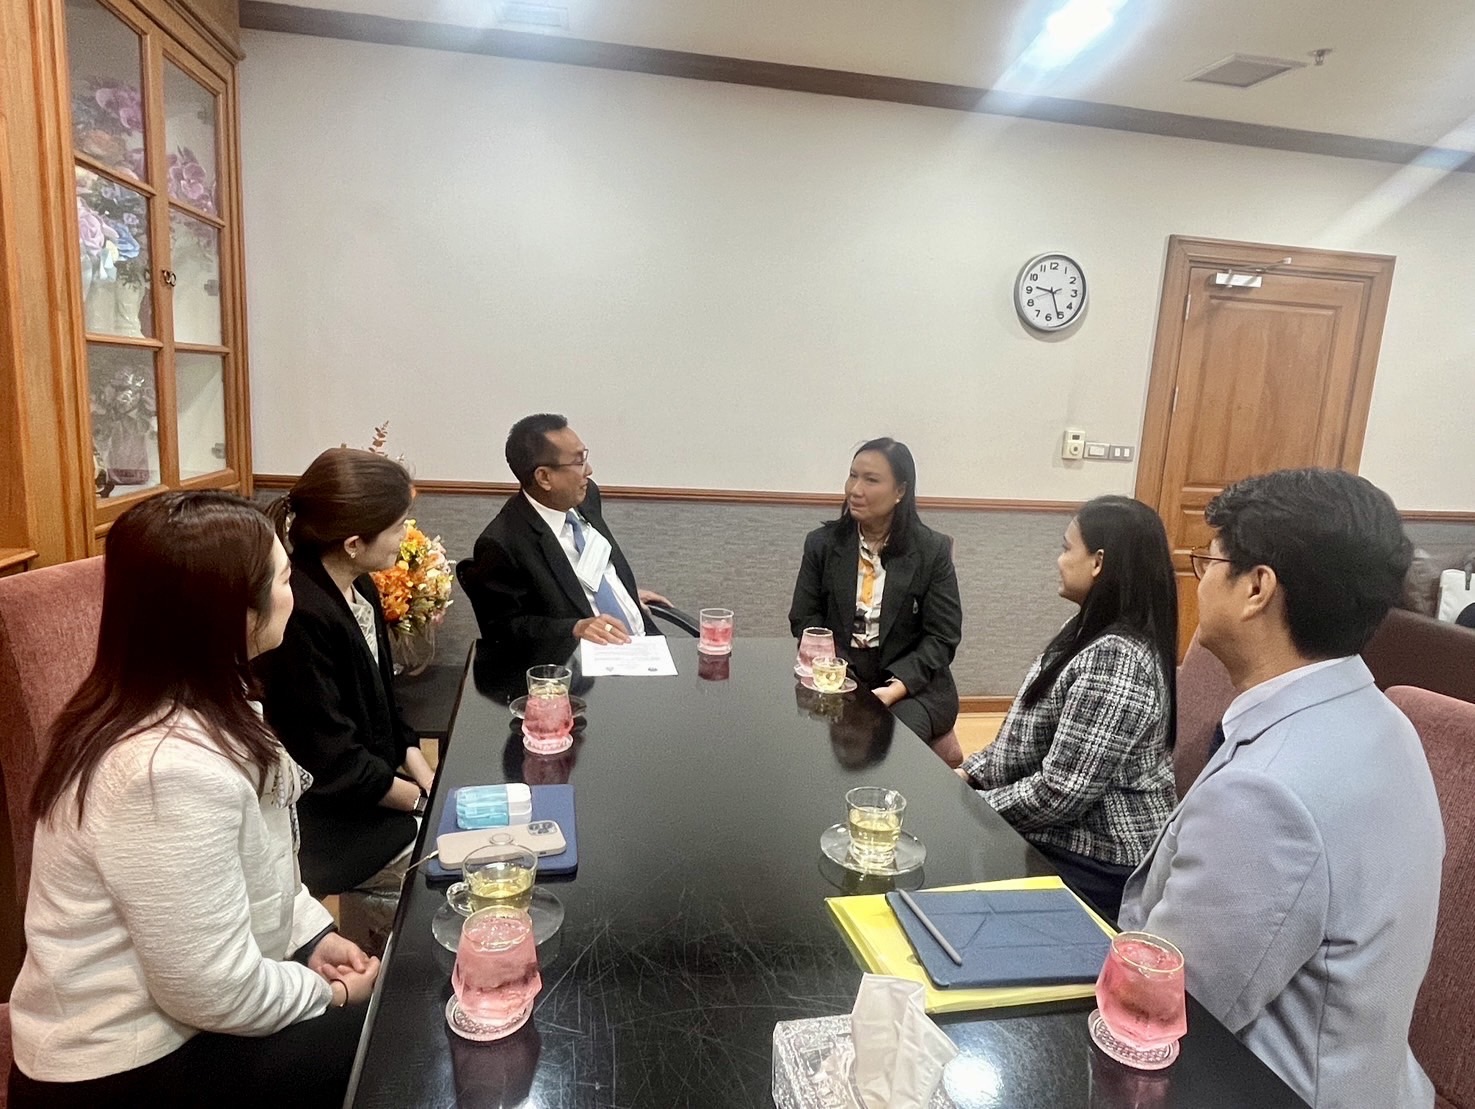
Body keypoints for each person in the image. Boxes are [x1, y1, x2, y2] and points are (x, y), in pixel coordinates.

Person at [8, 491, 379, 1109]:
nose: (295, 593)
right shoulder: (163, 769)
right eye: (283, 578)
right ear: (231, 611)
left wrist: (312, 937)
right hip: (124, 1065)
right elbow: (213, 992)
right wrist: (332, 995)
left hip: (187, 1020)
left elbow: (262, 865)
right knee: (393, 1043)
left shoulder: (198, 702)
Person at [1119, 469, 1443, 1109]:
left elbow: (1160, 1011)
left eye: (1210, 562)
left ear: (1256, 588)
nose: (1201, 581)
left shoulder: (1264, 796)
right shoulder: (1386, 722)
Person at [959, 495, 1178, 920]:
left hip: (1097, 856)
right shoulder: (1085, 629)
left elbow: (1062, 794)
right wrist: (969, 775)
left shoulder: (1116, 659)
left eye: (1065, 548)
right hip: (1063, 834)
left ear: (1098, 562)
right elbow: (1021, 740)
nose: (1058, 561)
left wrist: (972, 807)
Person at [258, 448, 433, 904]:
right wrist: (422, 803)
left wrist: (426, 774)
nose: (405, 537)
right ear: (354, 543)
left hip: (372, 790)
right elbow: (329, 758)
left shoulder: (360, 586)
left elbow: (385, 701)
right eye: (398, 527)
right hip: (330, 817)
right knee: (457, 869)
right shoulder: (300, 615)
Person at [788, 438, 963, 765]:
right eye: (853, 476)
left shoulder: (931, 550)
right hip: (841, 671)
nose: (855, 489)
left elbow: (943, 636)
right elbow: (805, 618)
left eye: (871, 480)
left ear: (900, 491)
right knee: (811, 750)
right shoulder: (822, 544)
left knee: (895, 746)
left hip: (913, 683)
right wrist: (839, 672)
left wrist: (896, 688)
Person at [463, 414, 669, 645]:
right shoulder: (502, 542)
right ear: (544, 477)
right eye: (578, 462)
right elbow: (505, 630)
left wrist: (621, 592)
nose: (589, 470)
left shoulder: (586, 497)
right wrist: (575, 628)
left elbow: (586, 575)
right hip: (586, 656)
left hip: (647, 643)